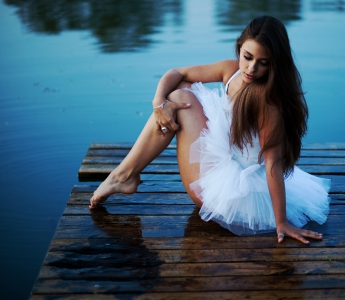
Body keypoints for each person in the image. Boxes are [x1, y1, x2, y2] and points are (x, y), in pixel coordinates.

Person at [89, 16, 331, 244]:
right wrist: (159, 104)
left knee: (181, 98)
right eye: (247, 57)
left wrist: (282, 222)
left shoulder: (268, 102)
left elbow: (273, 163)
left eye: (263, 63)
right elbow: (178, 73)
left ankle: (123, 176)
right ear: (239, 49)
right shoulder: (232, 70)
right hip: (223, 158)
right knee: (180, 90)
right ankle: (125, 175)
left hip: (232, 193)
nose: (251, 68)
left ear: (276, 64)